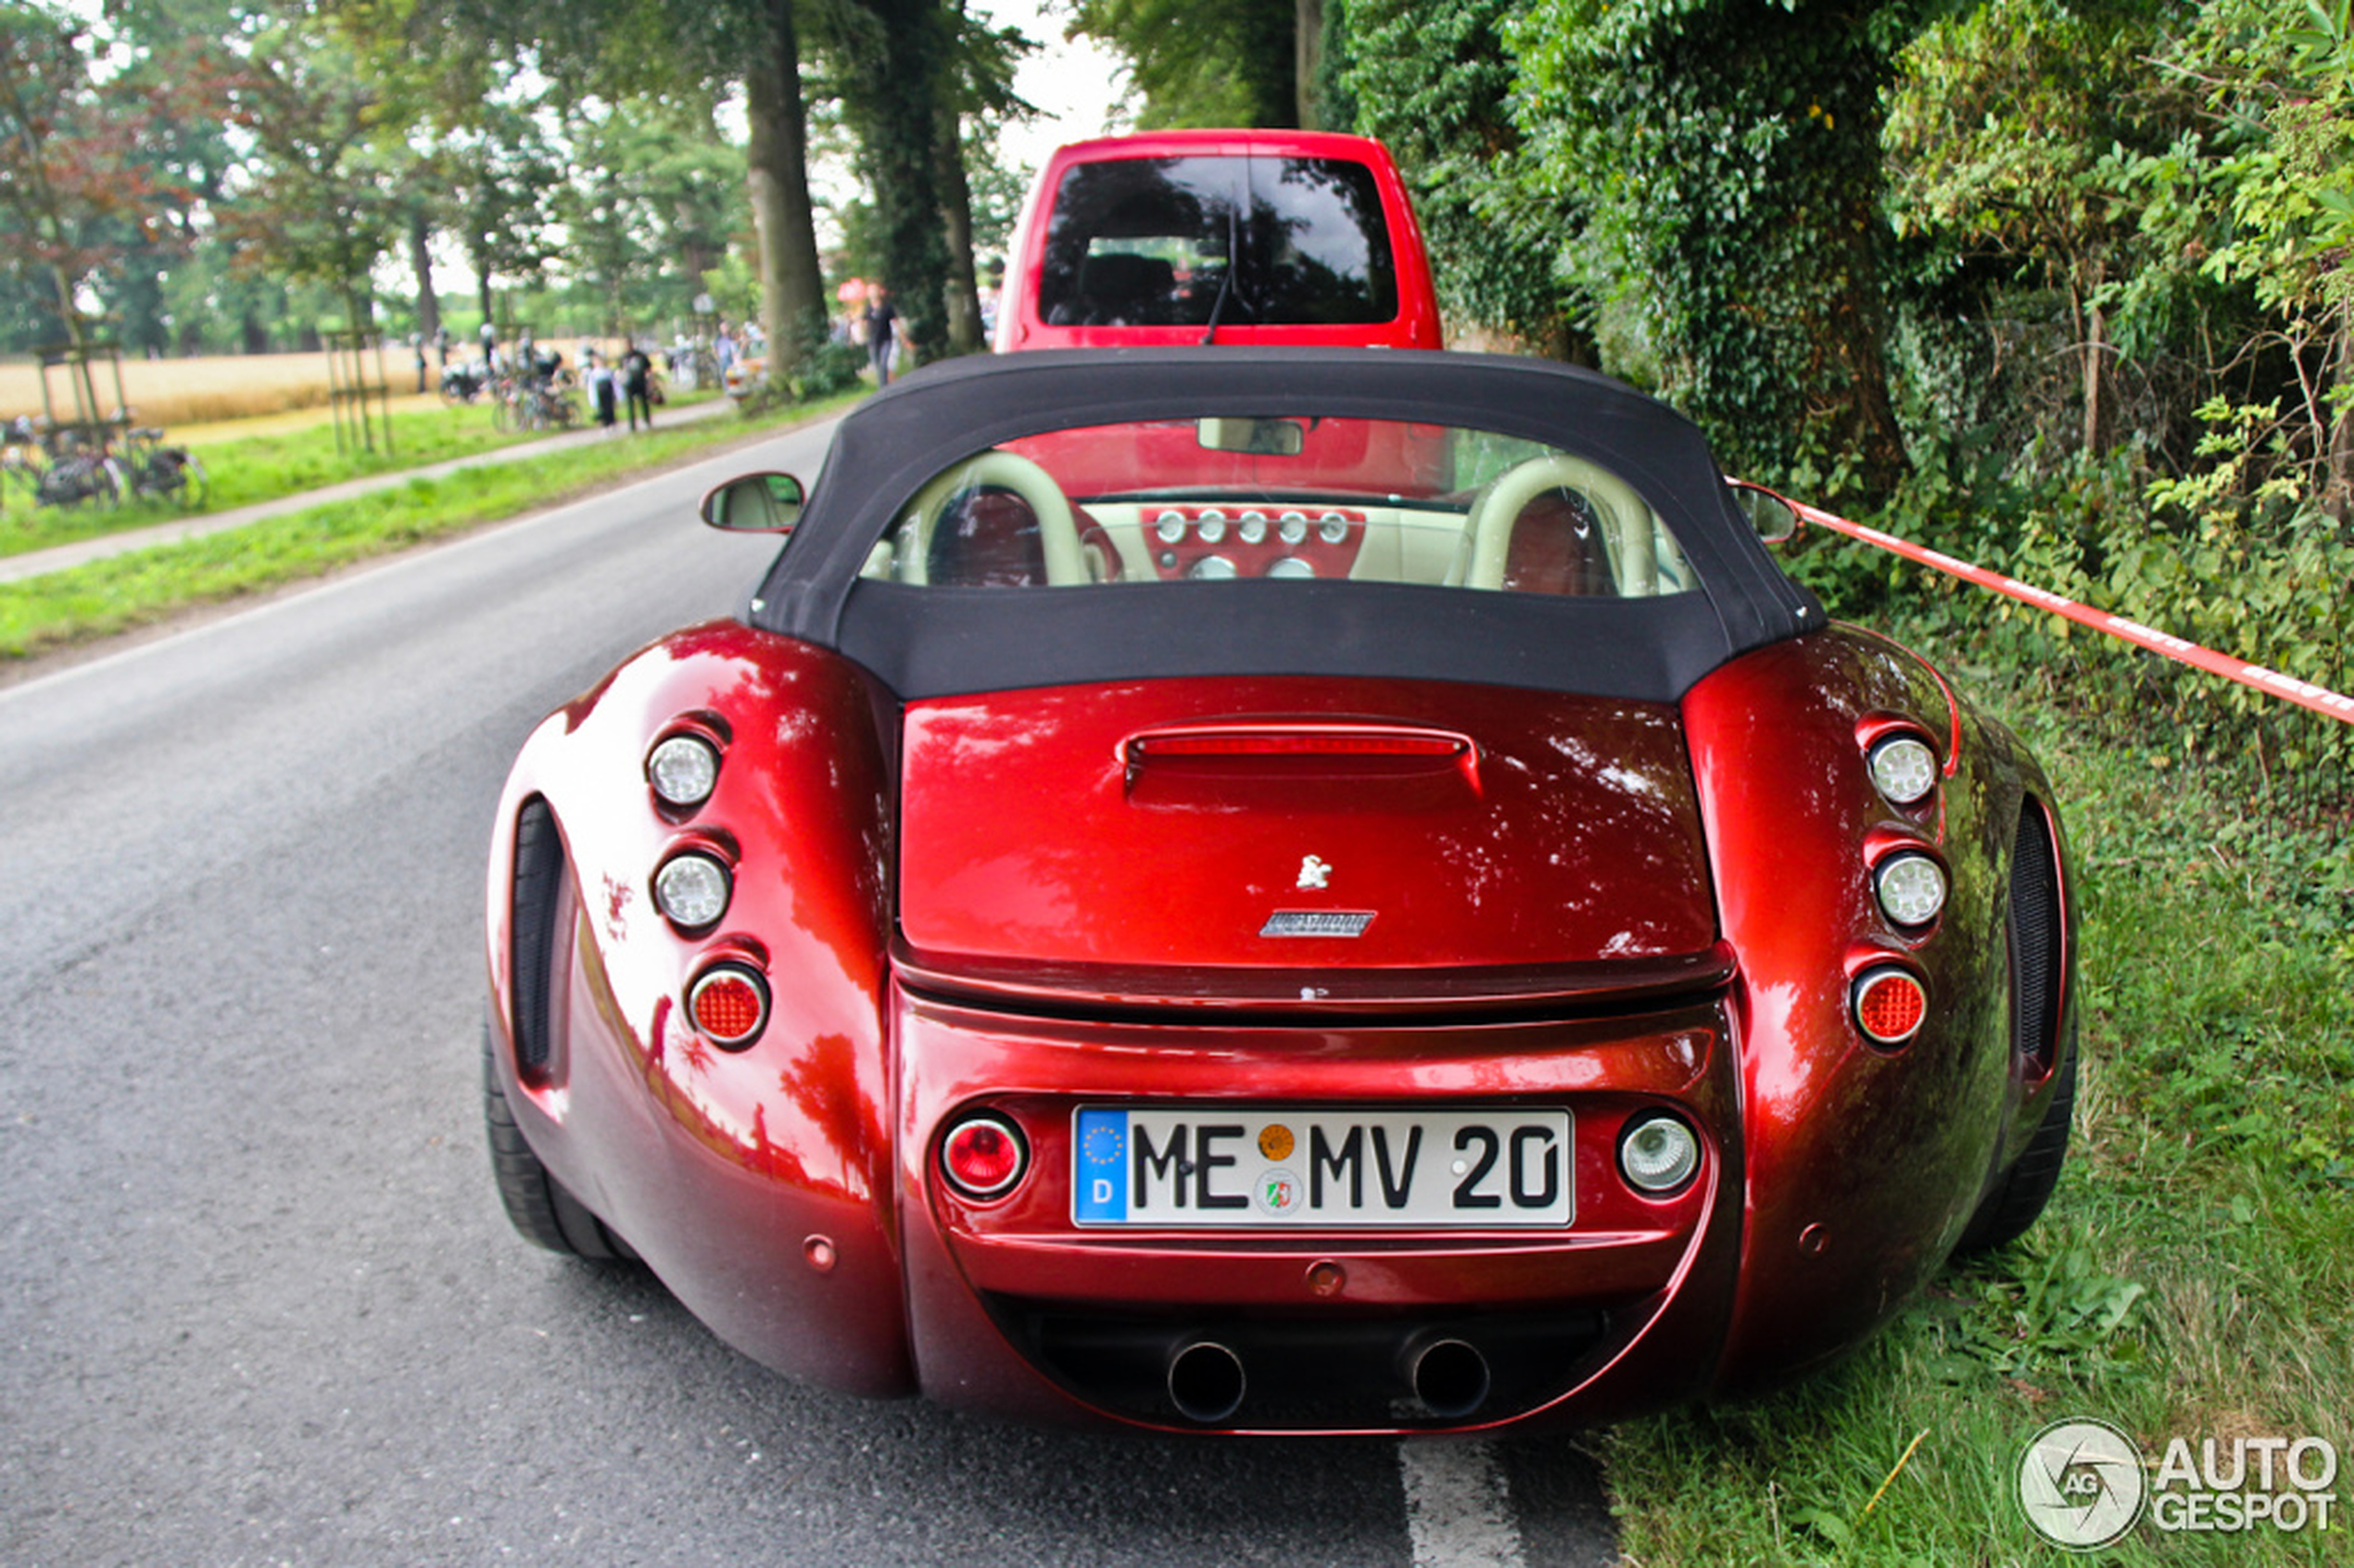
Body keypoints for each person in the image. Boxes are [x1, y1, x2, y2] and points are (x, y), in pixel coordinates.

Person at [863, 285, 899, 387]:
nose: (873, 293)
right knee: (877, 365)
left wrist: (903, 337)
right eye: (871, 291)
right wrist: (863, 334)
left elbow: (895, 322)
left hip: (886, 339)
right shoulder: (868, 308)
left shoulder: (887, 307)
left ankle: (883, 387)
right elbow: (865, 321)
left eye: (875, 291)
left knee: (883, 364)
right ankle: (889, 382)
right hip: (873, 341)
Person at [621, 340, 655, 431]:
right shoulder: (623, 357)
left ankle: (647, 421)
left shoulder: (640, 356)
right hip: (629, 384)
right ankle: (632, 425)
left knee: (644, 402)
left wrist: (650, 379)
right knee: (630, 405)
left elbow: (648, 368)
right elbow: (619, 370)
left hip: (640, 382)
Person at [587, 350, 617, 432]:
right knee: (602, 408)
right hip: (600, 391)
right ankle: (605, 424)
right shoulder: (593, 373)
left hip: (608, 391)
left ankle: (612, 423)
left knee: (610, 407)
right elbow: (591, 385)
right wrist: (593, 397)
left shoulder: (608, 371)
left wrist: (617, 393)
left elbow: (614, 382)